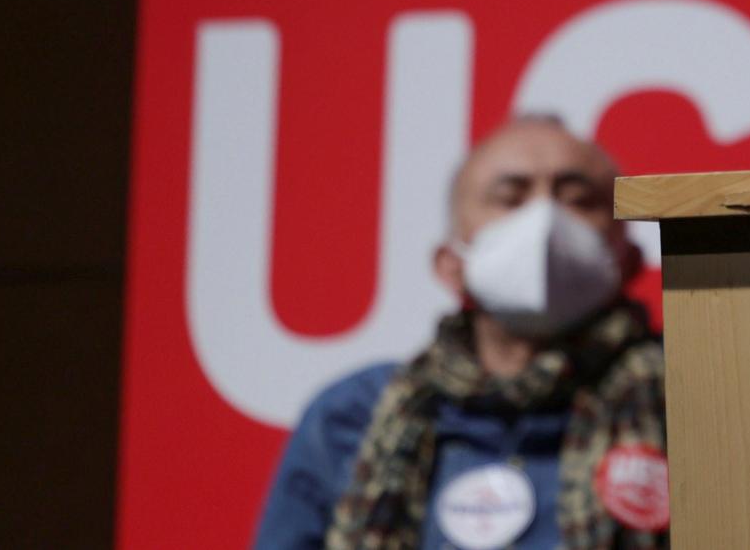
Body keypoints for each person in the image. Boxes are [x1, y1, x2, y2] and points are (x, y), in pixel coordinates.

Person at [253, 116, 669, 549]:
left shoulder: (683, 405)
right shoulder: (353, 416)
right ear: (450, 263)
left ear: (629, 259)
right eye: (511, 198)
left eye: (578, 199)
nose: (544, 219)